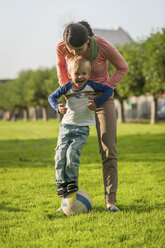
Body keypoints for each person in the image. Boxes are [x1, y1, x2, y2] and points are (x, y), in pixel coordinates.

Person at [56, 21, 129, 212]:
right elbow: (62, 71)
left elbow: (122, 67)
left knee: (108, 150)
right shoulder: (62, 47)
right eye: (71, 50)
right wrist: (69, 92)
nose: (75, 54)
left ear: (88, 41)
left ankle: (110, 202)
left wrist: (107, 89)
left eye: (79, 49)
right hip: (77, 102)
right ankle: (68, 202)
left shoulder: (103, 46)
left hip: (102, 100)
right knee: (67, 151)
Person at [48, 56, 113, 198]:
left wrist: (97, 102)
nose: (80, 76)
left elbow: (109, 90)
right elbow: (51, 97)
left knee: (72, 155)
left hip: (82, 129)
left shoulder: (92, 86)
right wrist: (58, 107)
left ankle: (71, 182)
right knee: (60, 155)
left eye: (84, 73)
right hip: (66, 127)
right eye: (76, 73)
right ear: (70, 75)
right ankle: (61, 182)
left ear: (88, 74)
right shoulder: (67, 87)